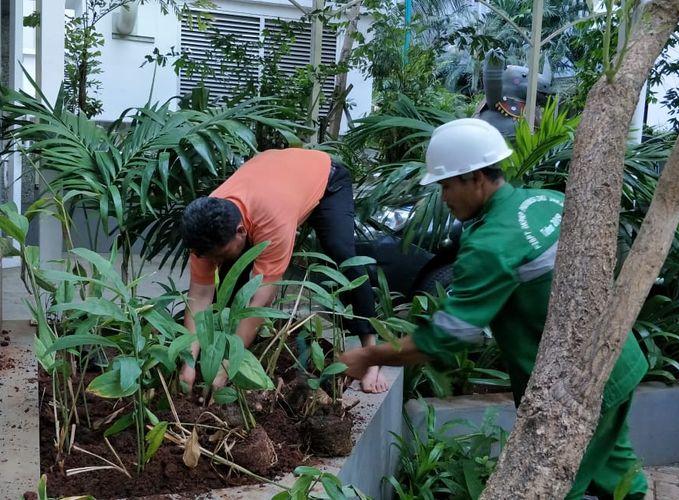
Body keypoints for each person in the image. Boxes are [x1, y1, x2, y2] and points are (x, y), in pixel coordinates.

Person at [339, 118, 649, 499]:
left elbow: (448, 336)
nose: (444, 196)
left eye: (447, 184)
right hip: (618, 359)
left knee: (549, 485)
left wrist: (370, 355)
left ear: (476, 178)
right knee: (616, 471)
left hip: (575, 387)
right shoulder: (546, 200)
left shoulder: (492, 243)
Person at [179, 148, 387, 394]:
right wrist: (188, 363)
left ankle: (373, 356)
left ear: (241, 231)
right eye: (209, 256)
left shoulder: (272, 218)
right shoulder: (204, 228)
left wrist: (227, 368)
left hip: (326, 178)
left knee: (341, 253)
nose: (213, 261)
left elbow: (260, 298)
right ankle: (223, 349)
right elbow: (199, 297)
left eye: (220, 254)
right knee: (230, 277)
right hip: (275, 175)